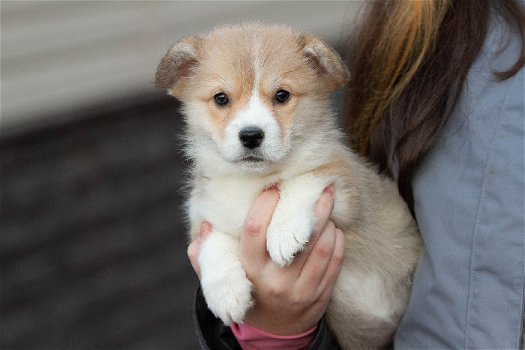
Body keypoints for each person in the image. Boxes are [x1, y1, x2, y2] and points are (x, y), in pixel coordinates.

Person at [187, 0, 525, 348]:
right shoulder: (420, 27)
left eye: (281, 96)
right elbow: (208, 238)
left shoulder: (321, 168)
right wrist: (236, 286)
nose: (251, 124)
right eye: (223, 100)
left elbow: (341, 192)